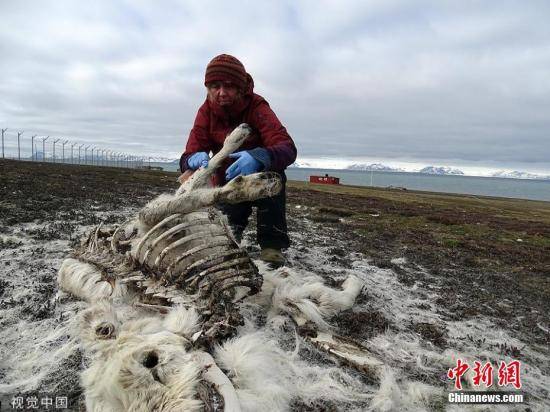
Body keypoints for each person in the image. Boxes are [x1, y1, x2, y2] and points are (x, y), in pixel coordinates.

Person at [180, 54, 297, 266]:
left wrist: (259, 157)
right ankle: (232, 237)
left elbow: (287, 148)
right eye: (215, 86)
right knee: (227, 233)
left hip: (260, 176)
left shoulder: (257, 107)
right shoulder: (206, 111)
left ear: (240, 87)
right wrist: (190, 160)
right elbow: (191, 151)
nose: (221, 93)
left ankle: (272, 246)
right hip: (227, 180)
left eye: (229, 86)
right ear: (207, 87)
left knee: (274, 178)